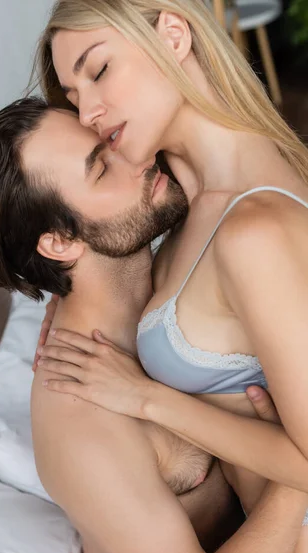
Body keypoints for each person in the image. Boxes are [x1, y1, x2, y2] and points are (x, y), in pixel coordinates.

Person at [0, 97, 308, 553]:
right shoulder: (82, 418)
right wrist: (295, 469)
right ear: (59, 243)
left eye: (110, 145)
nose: (138, 157)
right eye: (101, 168)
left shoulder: (173, 268)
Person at [34, 0, 308, 524]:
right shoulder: (183, 203)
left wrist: (148, 400)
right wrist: (70, 292)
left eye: (99, 70)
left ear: (174, 36)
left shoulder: (254, 228)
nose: (87, 112)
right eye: (73, 96)